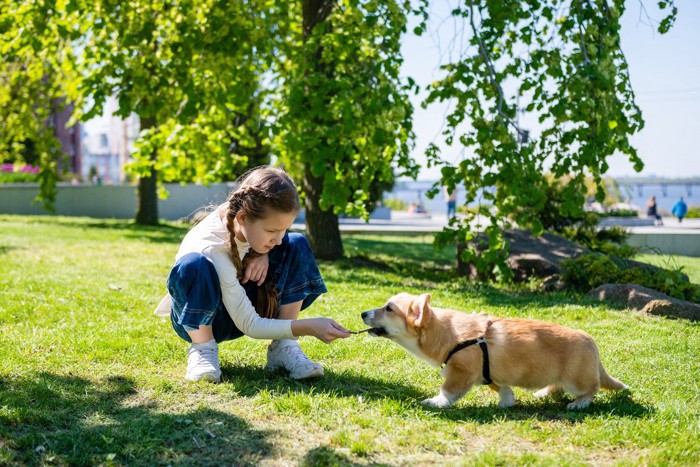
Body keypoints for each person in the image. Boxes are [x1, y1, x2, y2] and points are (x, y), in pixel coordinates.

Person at [155, 166, 351, 383]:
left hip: (246, 299)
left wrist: (260, 251)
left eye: (283, 229)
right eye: (271, 231)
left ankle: (283, 346)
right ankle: (203, 349)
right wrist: (308, 327)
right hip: (209, 319)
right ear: (242, 218)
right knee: (194, 264)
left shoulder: (251, 220)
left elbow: (267, 237)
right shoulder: (210, 245)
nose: (278, 239)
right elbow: (250, 324)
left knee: (296, 243)